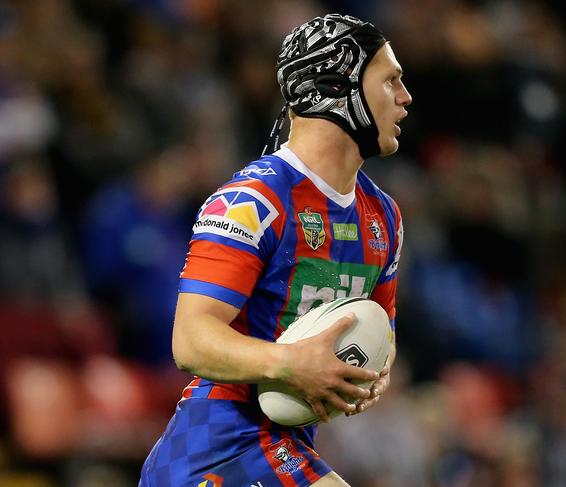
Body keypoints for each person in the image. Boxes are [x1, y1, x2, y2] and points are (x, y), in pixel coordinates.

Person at [140, 13, 412, 487]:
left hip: (284, 444)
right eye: (390, 80)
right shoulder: (253, 202)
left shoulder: (383, 217)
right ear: (337, 88)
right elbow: (189, 339)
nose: (405, 99)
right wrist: (291, 364)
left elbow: (378, 334)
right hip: (216, 449)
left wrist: (372, 373)